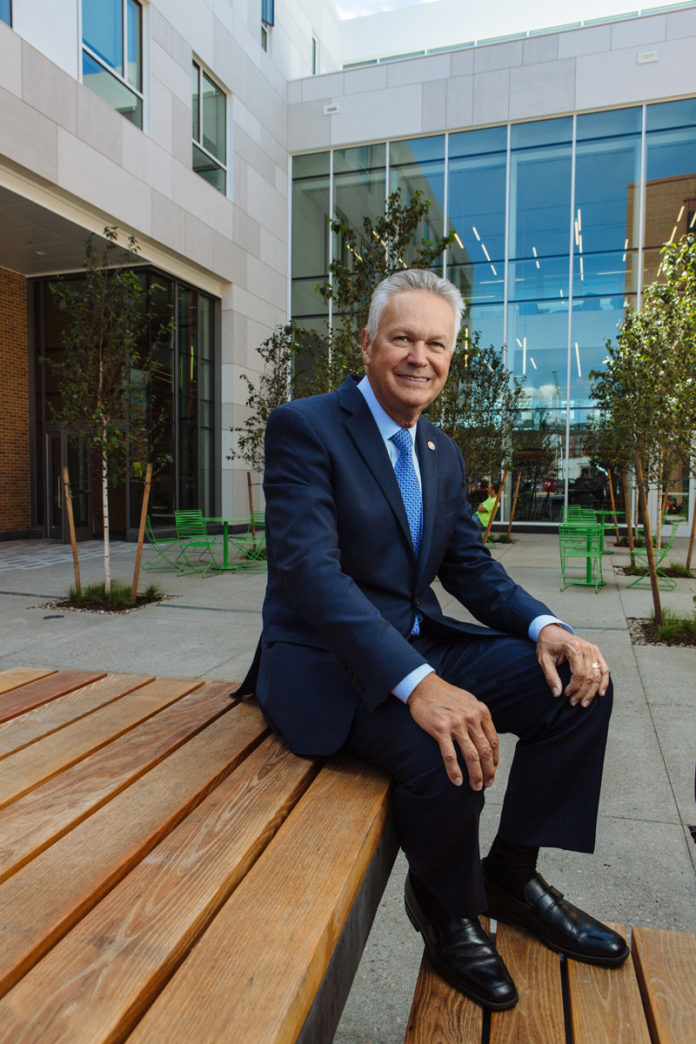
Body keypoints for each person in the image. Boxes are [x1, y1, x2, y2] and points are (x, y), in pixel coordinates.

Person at [241, 269, 627, 1011]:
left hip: (419, 641)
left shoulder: (440, 453)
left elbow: (471, 569)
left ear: (451, 358)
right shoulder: (305, 427)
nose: (421, 356)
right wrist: (419, 685)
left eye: (437, 344)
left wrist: (550, 629)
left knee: (577, 692)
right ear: (367, 344)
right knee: (445, 747)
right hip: (325, 664)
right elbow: (310, 574)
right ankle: (449, 911)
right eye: (403, 338)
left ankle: (511, 877)